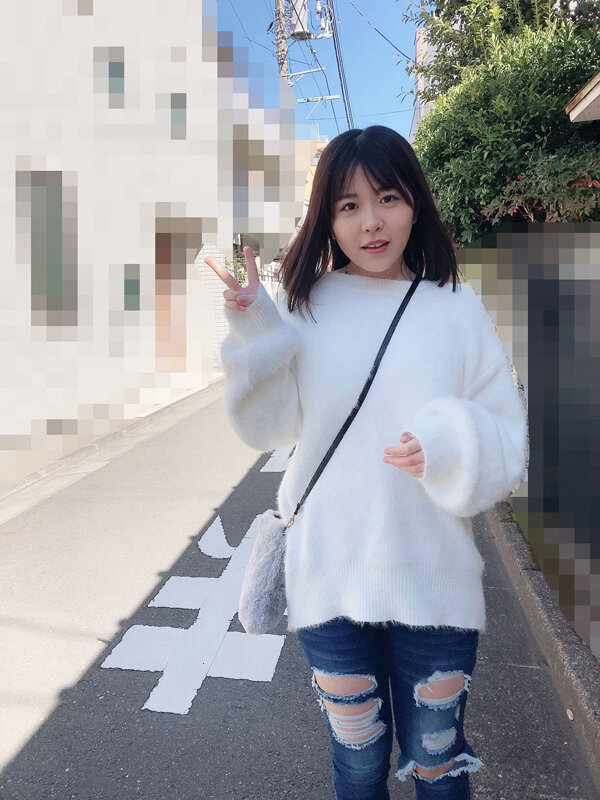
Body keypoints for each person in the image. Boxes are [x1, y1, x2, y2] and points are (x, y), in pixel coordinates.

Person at [205, 125, 528, 800]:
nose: (371, 222)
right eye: (348, 205)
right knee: (357, 763)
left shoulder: (455, 308)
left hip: (434, 582)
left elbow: (506, 437)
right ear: (327, 218)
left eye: (388, 198)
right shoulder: (306, 305)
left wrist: (446, 444)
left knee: (437, 762)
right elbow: (269, 428)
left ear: (415, 203)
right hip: (328, 577)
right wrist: (257, 327)